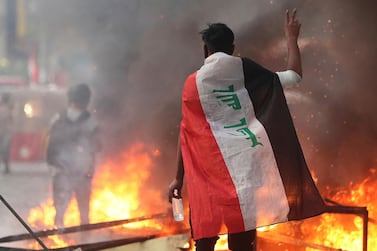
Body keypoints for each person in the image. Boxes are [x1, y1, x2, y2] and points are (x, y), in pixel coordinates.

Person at [168, 9, 325, 251]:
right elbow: (294, 77)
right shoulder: (246, 71)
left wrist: (178, 178)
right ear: (232, 48)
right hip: (243, 181)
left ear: (205, 50)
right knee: (242, 245)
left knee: (205, 242)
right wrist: (291, 38)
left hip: (208, 182)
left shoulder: (193, 85)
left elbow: (185, 133)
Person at [46, 83, 100, 227]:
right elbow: (95, 147)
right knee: (83, 213)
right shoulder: (90, 121)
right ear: (87, 100)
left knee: (60, 211)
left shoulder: (58, 118)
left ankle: (57, 241)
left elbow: (49, 144)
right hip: (81, 173)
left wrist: (53, 165)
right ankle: (85, 242)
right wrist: (90, 169)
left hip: (62, 171)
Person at [0, 93, 14, 174]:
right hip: (6, 131)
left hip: (6, 131)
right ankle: (6, 166)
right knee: (5, 149)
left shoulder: (8, 108)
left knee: (4, 149)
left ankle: (6, 166)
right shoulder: (9, 108)